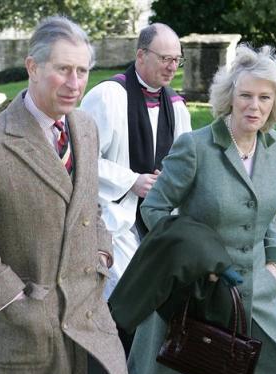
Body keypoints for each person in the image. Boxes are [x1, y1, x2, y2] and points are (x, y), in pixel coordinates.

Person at [127, 44, 276, 374]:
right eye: (246, 96)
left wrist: (273, 262)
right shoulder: (195, 147)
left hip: (256, 293)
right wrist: (196, 262)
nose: (254, 106)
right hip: (197, 293)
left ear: (275, 102)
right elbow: (155, 209)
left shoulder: (275, 144)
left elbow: (265, 210)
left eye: (264, 97)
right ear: (230, 98)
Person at [0, 15, 136, 374]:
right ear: (32, 67)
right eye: (63, 69)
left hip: (90, 318)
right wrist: (17, 304)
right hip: (25, 331)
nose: (75, 82)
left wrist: (102, 253)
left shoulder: (85, 127)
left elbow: (89, 203)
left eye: (82, 70)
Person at [80, 23, 191, 300]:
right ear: (141, 55)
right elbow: (81, 159)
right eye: (165, 58)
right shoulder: (107, 96)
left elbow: (186, 164)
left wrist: (168, 181)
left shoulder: (176, 106)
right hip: (115, 218)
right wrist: (131, 181)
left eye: (177, 60)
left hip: (160, 217)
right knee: (126, 295)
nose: (172, 66)